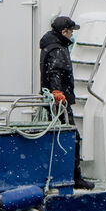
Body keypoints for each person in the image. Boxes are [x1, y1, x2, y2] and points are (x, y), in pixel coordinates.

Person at [39, 15, 91, 189]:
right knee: (72, 137)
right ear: (64, 32)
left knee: (57, 136)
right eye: (70, 32)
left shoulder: (48, 45)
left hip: (52, 100)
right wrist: (58, 93)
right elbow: (55, 72)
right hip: (59, 101)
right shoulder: (58, 49)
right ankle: (75, 178)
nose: (71, 35)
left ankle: (56, 174)